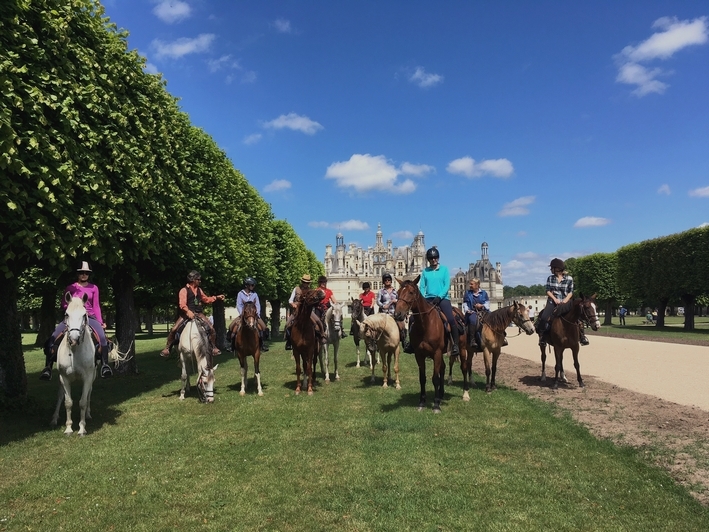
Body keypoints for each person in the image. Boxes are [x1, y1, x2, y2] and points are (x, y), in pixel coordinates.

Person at [40, 261, 112, 380]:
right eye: (81, 273)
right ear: (77, 274)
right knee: (53, 337)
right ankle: (48, 367)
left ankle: (105, 365)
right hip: (73, 316)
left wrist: (100, 321)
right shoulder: (70, 288)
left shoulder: (94, 288)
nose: (84, 275)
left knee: (103, 338)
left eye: (86, 273)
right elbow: (64, 303)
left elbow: (96, 306)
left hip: (90, 316)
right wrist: (73, 307)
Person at [405, 247, 460, 356]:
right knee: (412, 318)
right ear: (428, 259)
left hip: (443, 298)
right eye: (431, 258)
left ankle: (455, 345)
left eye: (435, 257)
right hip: (428, 299)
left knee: (450, 318)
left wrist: (439, 297)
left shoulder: (444, 269)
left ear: (438, 258)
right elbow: (422, 287)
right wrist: (423, 298)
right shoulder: (425, 271)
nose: (433, 260)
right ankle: (411, 344)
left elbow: (446, 285)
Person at [160, 271, 225, 357]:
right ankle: (167, 349)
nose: (200, 281)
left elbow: (205, 299)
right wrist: (188, 311)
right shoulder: (183, 290)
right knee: (174, 329)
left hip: (199, 313)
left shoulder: (199, 290)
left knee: (212, 329)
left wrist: (216, 297)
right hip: (186, 314)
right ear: (193, 279)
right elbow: (182, 304)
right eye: (198, 279)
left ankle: (213, 348)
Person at [536, 258, 589, 347]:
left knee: (578, 317)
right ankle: (543, 338)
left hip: (566, 302)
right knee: (544, 317)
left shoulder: (569, 279)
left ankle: (582, 337)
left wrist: (565, 300)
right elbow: (548, 291)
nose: (551, 269)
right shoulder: (550, 278)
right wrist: (554, 299)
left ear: (557, 268)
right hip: (552, 301)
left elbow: (571, 292)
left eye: (552, 267)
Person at [228, 277, 269, 351]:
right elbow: (239, 305)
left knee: (263, 327)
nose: (253, 287)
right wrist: (242, 314)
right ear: (247, 285)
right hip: (243, 315)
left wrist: (257, 314)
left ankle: (262, 344)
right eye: (252, 285)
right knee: (232, 327)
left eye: (253, 285)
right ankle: (232, 346)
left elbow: (258, 305)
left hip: (254, 315)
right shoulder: (240, 294)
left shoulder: (255, 294)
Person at [284, 273, 318, 350]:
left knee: (317, 322)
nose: (305, 284)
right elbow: (290, 300)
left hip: (308, 311)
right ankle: (289, 342)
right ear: (302, 282)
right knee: (287, 324)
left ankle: (319, 337)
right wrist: (293, 305)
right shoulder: (296, 289)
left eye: (307, 282)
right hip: (297, 311)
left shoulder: (311, 291)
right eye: (304, 282)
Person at [377, 272, 407, 346]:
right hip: (384, 313)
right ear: (384, 282)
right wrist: (383, 306)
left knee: (401, 326)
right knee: (377, 327)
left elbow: (400, 300)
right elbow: (378, 301)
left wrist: (395, 301)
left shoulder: (395, 291)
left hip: (394, 312)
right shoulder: (381, 291)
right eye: (386, 280)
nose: (387, 281)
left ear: (391, 281)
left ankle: (404, 341)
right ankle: (376, 342)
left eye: (388, 280)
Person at [314, 275, 347, 340]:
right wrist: (319, 304)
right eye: (322, 282)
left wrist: (337, 305)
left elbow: (333, 299)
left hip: (327, 308)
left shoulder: (329, 291)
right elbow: (315, 300)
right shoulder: (316, 290)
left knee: (338, 316)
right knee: (317, 320)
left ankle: (342, 331)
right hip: (319, 308)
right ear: (320, 283)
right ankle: (316, 333)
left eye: (325, 282)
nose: (324, 284)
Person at [462, 278, 490, 351]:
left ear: (477, 285)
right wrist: (467, 310)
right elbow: (465, 304)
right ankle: (472, 340)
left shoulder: (484, 293)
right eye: (470, 284)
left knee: (494, 317)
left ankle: (502, 337)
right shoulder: (467, 293)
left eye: (472, 284)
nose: (470, 285)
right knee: (473, 320)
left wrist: (481, 305)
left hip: (484, 311)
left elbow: (487, 304)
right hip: (472, 312)